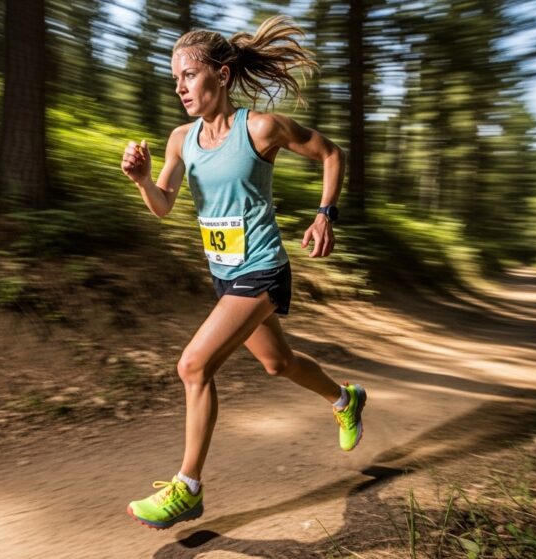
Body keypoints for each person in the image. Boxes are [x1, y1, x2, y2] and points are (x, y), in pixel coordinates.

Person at [119, 15, 365, 530]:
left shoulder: (261, 127)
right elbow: (163, 205)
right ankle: (345, 399)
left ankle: (187, 489)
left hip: (263, 270)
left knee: (193, 366)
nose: (181, 88)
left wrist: (325, 216)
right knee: (277, 363)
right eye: (175, 80)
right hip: (225, 276)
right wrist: (144, 180)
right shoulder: (181, 140)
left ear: (222, 76)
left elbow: (331, 153)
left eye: (189, 75)